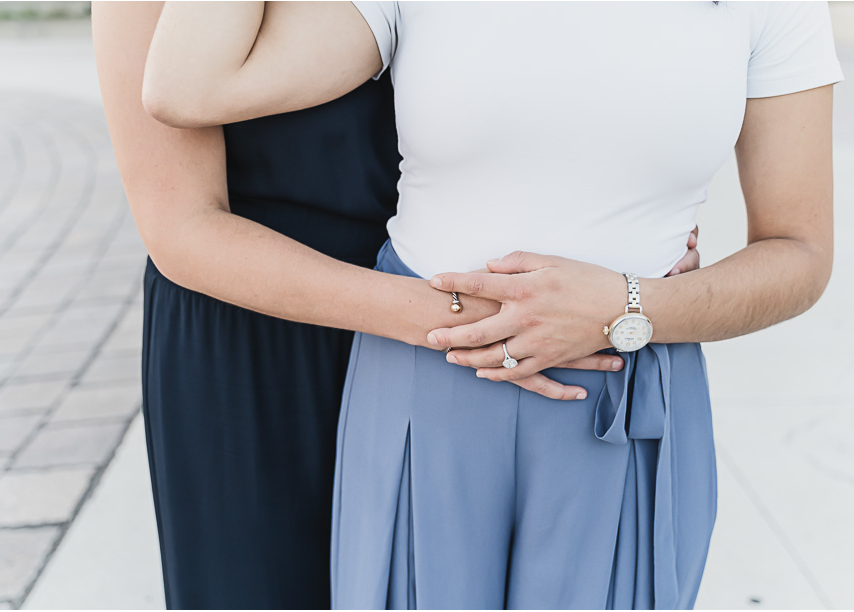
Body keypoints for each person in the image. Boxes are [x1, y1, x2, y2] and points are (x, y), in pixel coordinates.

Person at [143, 2, 842, 608]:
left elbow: (799, 251)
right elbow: (188, 86)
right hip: (428, 380)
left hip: (620, 389)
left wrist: (636, 305)